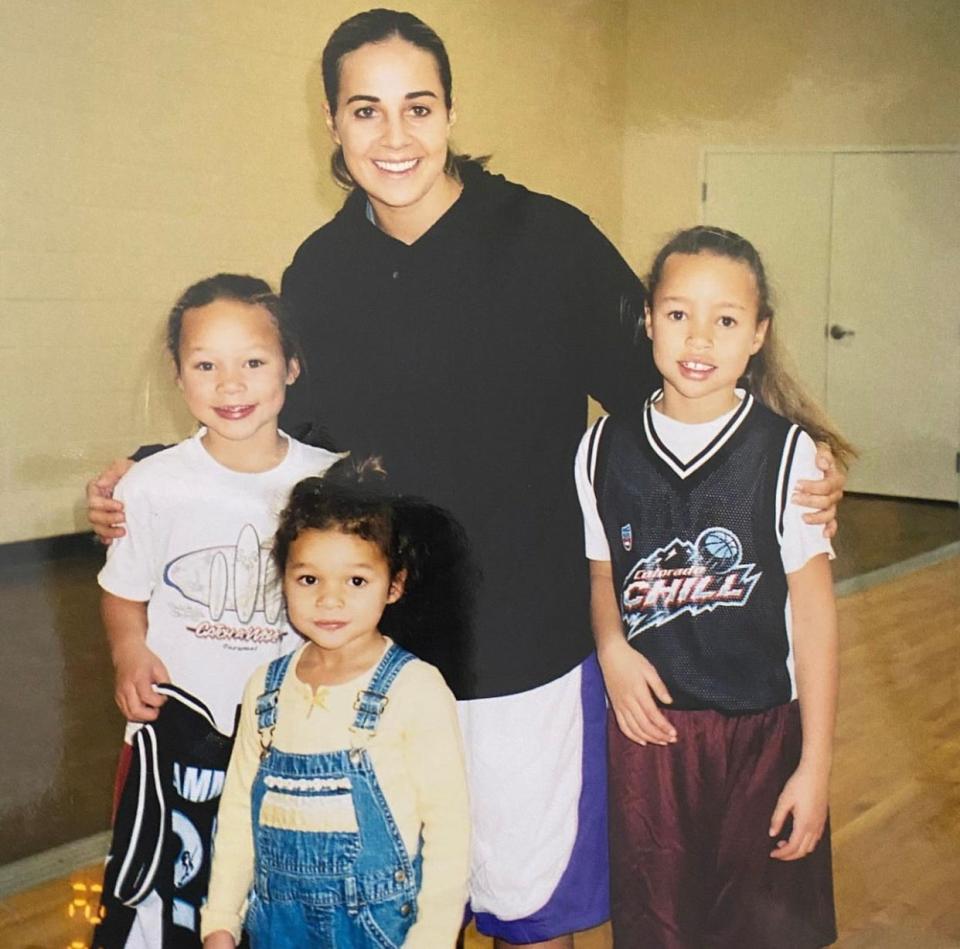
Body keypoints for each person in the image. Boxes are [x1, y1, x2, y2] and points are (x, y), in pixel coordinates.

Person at [86, 12, 845, 947]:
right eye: (367, 110)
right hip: (374, 656)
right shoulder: (320, 273)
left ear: (450, 112)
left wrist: (790, 462)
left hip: (526, 647)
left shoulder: (549, 240)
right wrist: (155, 469)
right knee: (394, 911)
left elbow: (680, 391)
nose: (394, 137)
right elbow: (287, 444)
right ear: (332, 122)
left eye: (418, 107)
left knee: (529, 913)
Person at [576, 226, 851, 947]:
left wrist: (815, 765)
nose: (699, 337)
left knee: (762, 933)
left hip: (762, 733)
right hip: (652, 739)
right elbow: (603, 571)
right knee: (659, 932)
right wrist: (611, 645)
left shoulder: (788, 453)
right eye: (677, 313)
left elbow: (816, 617)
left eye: (725, 319)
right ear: (647, 321)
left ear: (757, 334)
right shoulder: (602, 447)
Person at [94, 274, 339, 946]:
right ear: (178, 375)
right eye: (206, 364)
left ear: (292, 366)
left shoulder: (332, 481)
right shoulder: (151, 484)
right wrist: (128, 650)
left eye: (253, 362)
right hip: (181, 743)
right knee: (176, 905)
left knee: (279, 904)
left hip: (295, 743)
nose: (231, 385)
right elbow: (124, 589)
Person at [199, 460, 470, 948]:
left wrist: (432, 938)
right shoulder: (266, 686)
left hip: (380, 930)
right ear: (284, 578)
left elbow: (449, 829)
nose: (329, 601)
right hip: (276, 927)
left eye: (356, 582)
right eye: (309, 580)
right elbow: (239, 809)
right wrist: (220, 917)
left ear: (395, 585)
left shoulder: (415, 688)